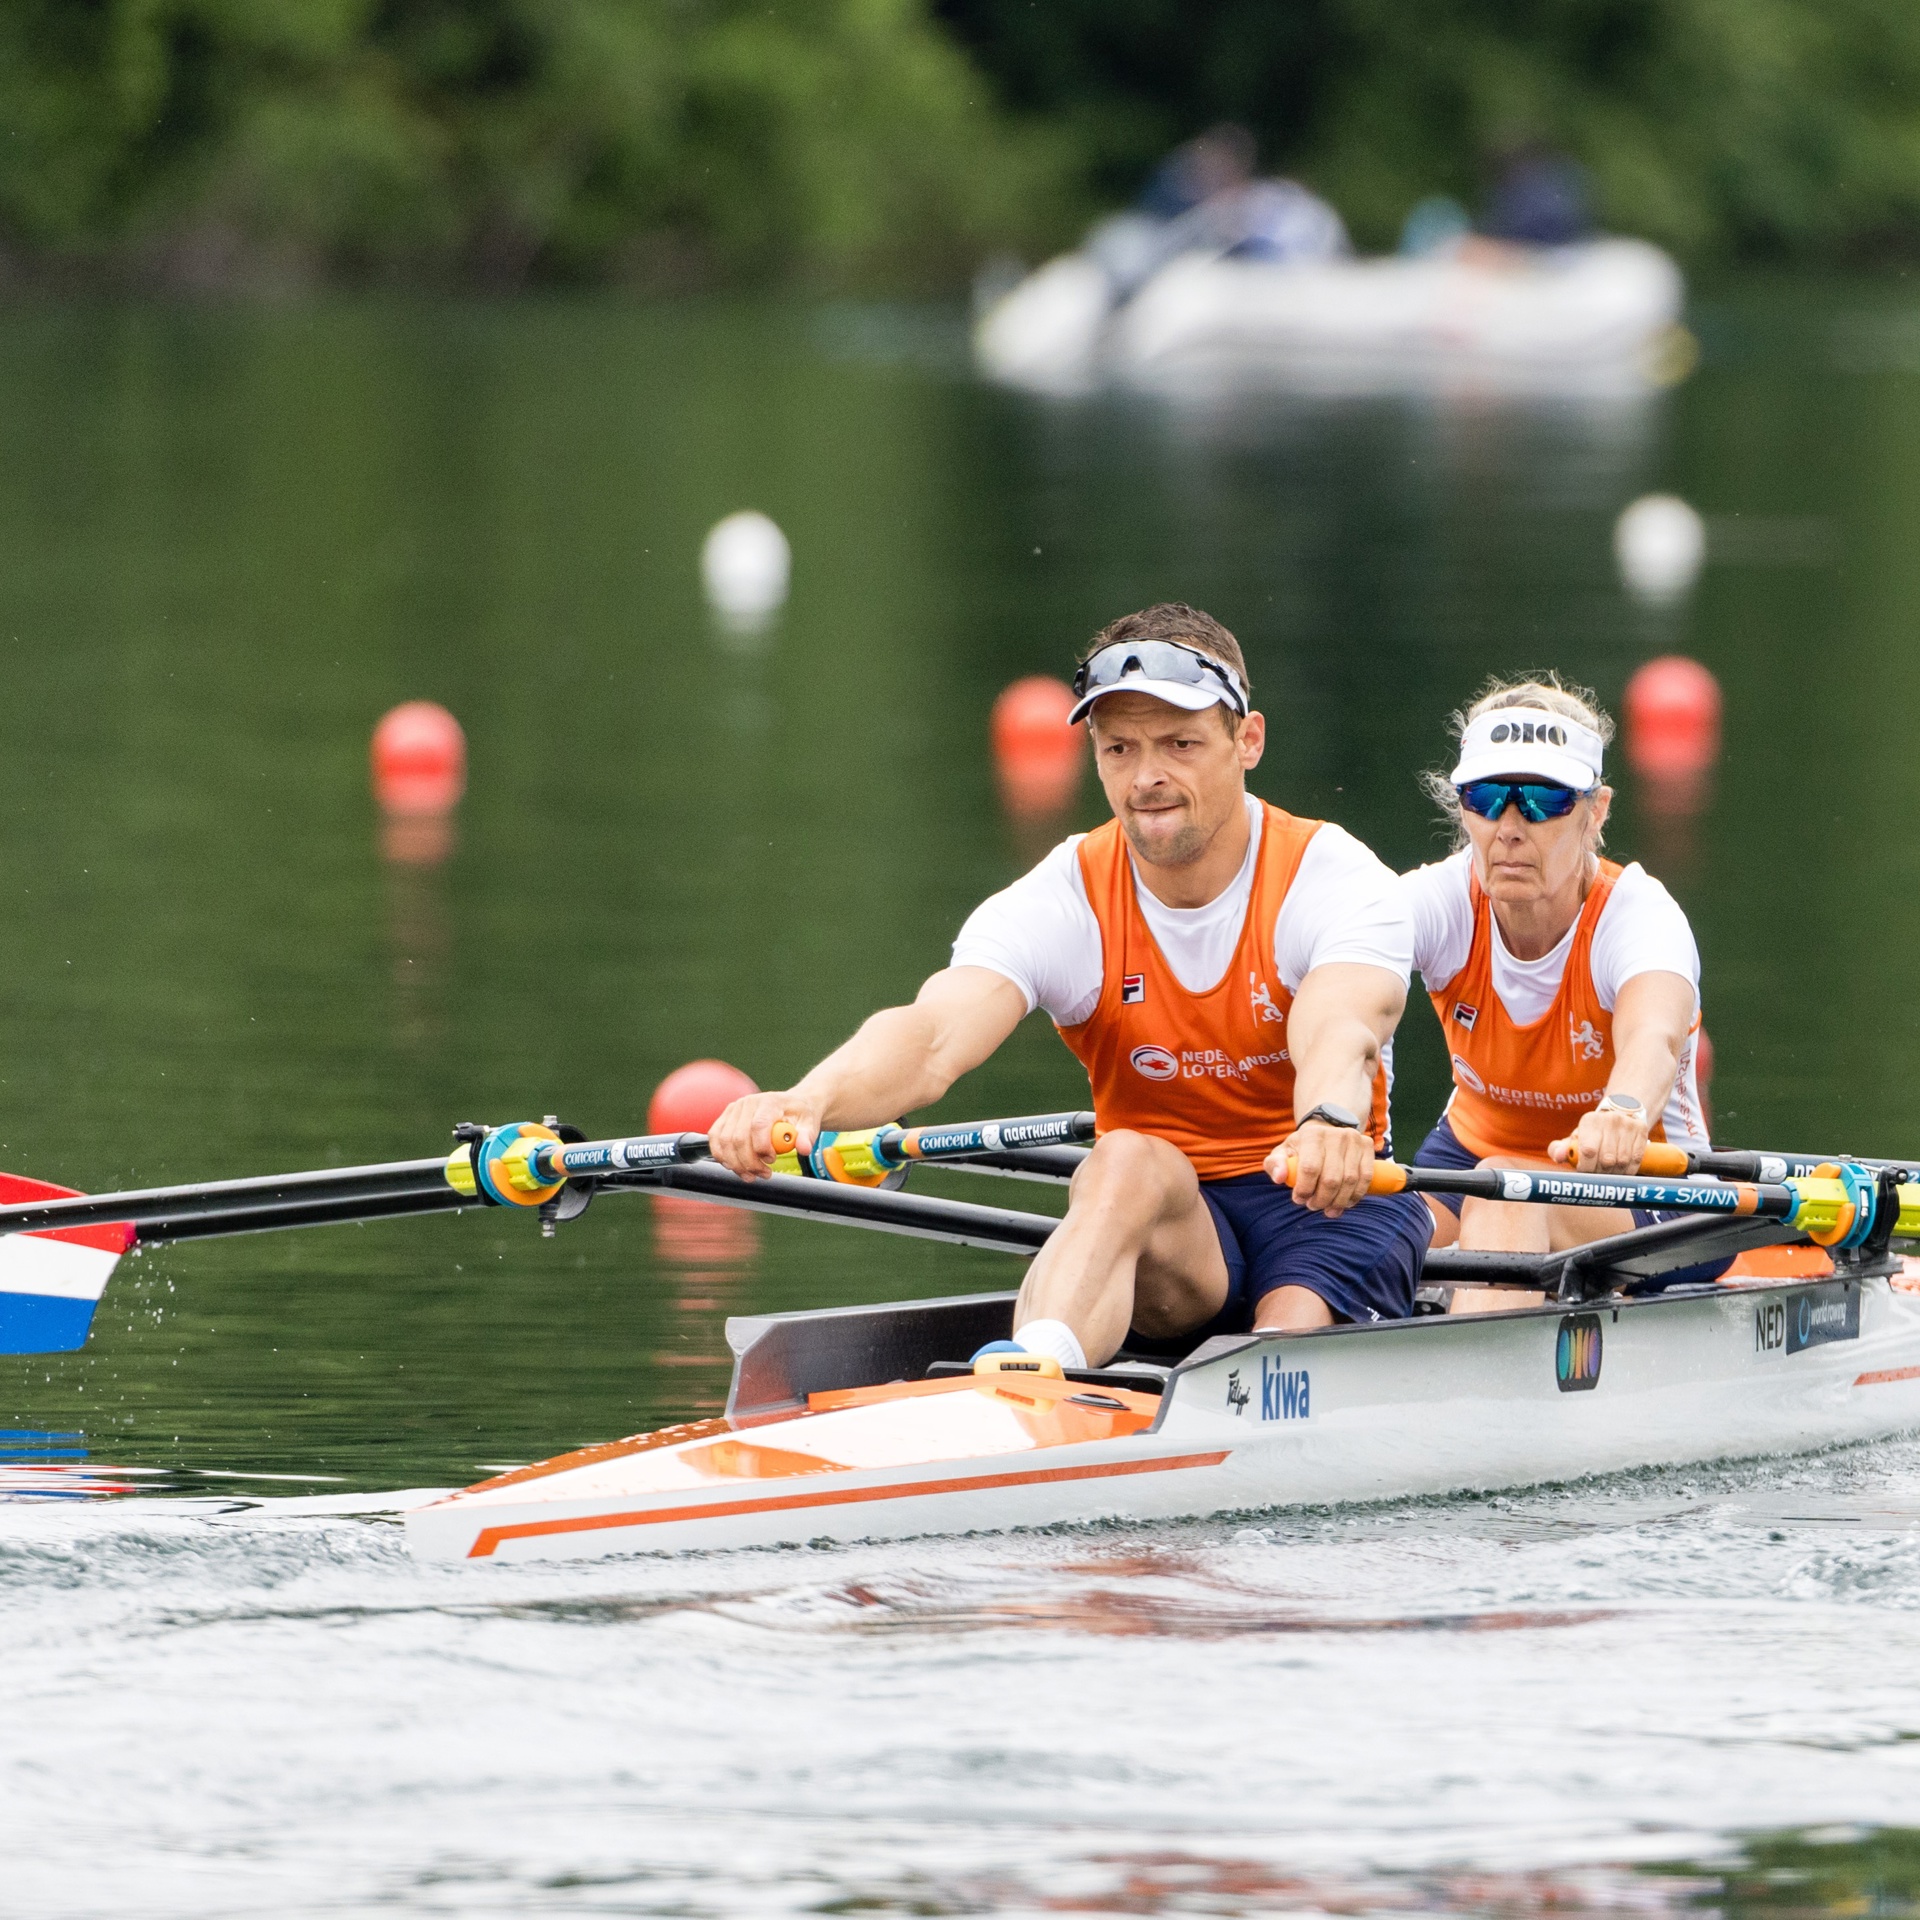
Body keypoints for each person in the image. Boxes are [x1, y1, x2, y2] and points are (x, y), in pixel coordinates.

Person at [708, 604, 1432, 1374]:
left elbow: (1341, 1028)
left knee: (1279, 1340)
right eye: (1119, 748)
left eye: (1179, 744)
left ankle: (1236, 1368)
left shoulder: (1332, 876)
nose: (1147, 777)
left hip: (1328, 1205)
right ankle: (1036, 1371)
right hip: (1172, 1233)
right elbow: (932, 1035)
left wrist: (1327, 1117)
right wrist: (807, 1102)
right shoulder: (1066, 895)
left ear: (1247, 740)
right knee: (1120, 1159)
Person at [1403, 677, 1712, 1276]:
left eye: (1544, 800)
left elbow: (1653, 1039)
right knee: (1358, 1228)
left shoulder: (1640, 916)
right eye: (1487, 798)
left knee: (1504, 1199)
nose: (1510, 827)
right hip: (1470, 1155)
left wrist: (1623, 1110)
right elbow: (1339, 978)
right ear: (1462, 806)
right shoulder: (1436, 900)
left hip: (1648, 1180)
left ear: (1596, 811)